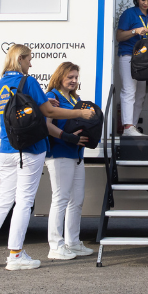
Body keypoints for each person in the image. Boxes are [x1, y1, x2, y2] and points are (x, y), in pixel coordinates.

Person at [0, 44, 94, 271]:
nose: (31, 63)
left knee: (4, 201)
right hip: (30, 149)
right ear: (20, 59)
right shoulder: (28, 81)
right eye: (29, 59)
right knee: (24, 202)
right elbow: (49, 112)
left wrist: (45, 107)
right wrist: (80, 112)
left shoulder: (0, 84)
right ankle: (16, 255)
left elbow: (23, 111)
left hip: (7, 147)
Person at [43, 61, 96, 260]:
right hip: (59, 153)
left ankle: (72, 242)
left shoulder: (75, 99)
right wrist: (68, 137)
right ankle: (55, 246)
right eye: (70, 77)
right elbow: (47, 125)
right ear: (60, 77)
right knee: (61, 198)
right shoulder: (52, 96)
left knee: (77, 200)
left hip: (77, 155)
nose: (74, 81)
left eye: (76, 77)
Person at [116, 0, 148, 137]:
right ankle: (127, 127)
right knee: (129, 90)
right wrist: (135, 31)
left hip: (145, 60)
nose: (145, 3)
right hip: (129, 56)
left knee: (141, 94)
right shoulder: (129, 13)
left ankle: (132, 127)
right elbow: (119, 36)